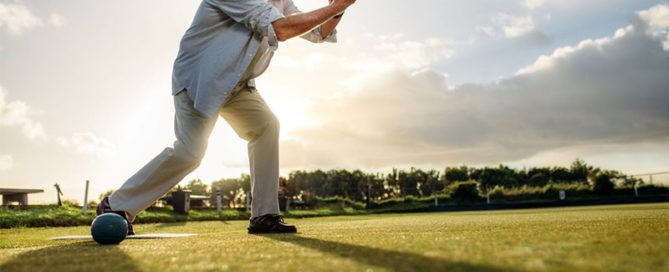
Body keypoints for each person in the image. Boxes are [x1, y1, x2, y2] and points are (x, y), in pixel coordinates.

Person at [97, 0, 357, 234]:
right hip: (200, 80)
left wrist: (339, 7)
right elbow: (281, 29)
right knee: (190, 152)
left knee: (266, 125)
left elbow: (318, 32)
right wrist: (334, 7)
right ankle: (115, 205)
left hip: (237, 86)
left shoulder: (281, 1)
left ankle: (264, 216)